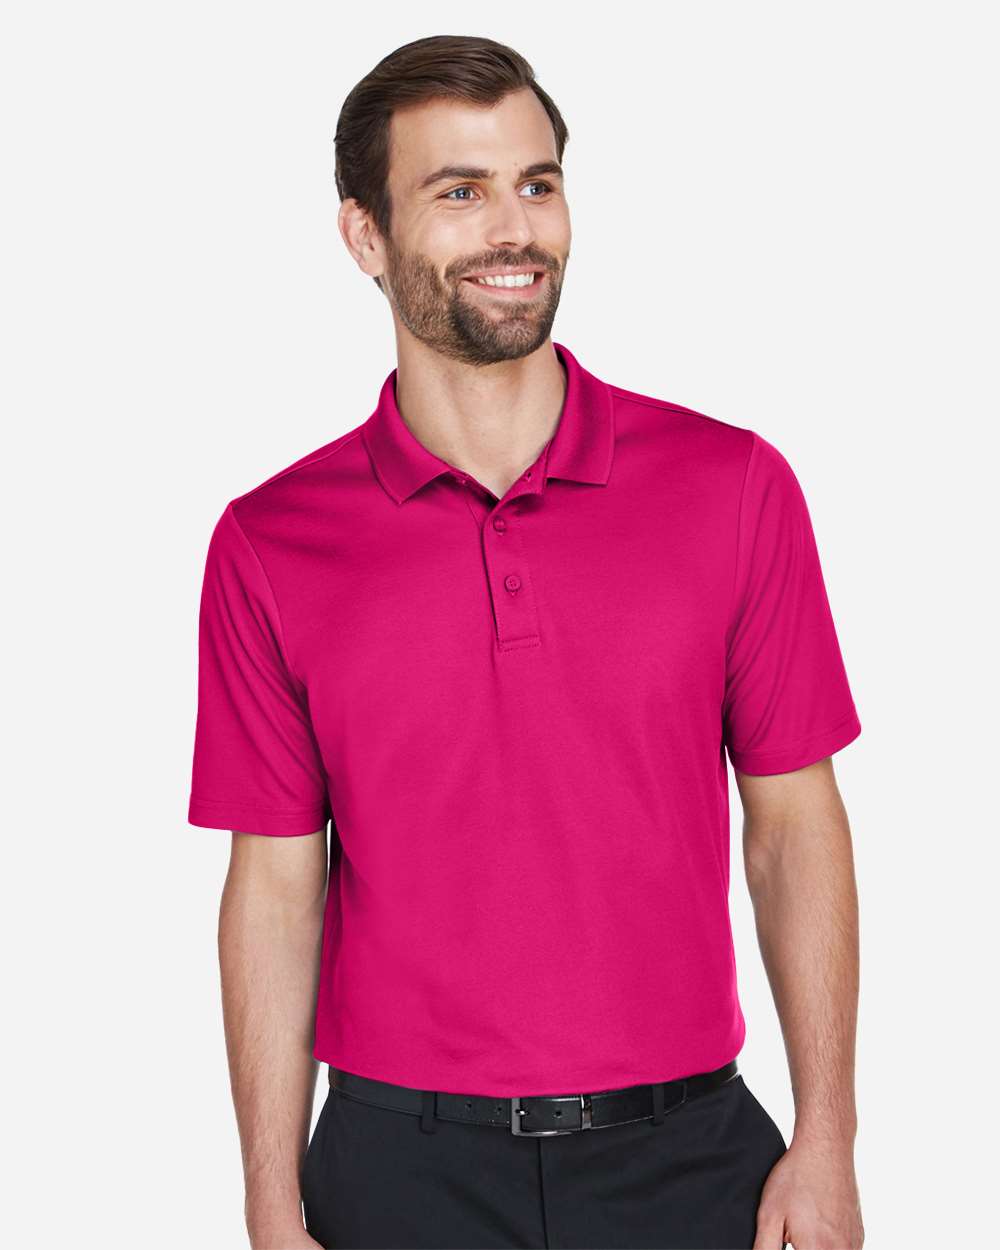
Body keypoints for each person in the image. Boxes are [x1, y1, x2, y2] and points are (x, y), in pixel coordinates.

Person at [187, 33, 865, 1250]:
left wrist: (826, 1137)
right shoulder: (271, 542)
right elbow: (277, 888)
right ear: (364, 237)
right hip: (395, 1170)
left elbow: (793, 825)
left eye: (536, 183)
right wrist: (270, 1204)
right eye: (460, 192)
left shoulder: (732, 487)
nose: (515, 229)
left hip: (690, 1158)